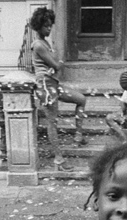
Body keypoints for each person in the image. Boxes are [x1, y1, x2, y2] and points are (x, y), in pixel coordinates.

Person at [30, 7, 87, 171]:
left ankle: (78, 135)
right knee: (52, 121)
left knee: (81, 99)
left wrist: (56, 66)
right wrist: (59, 63)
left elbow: (54, 67)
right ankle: (58, 159)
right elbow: (56, 65)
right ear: (38, 26)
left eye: (50, 25)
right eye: (46, 26)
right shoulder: (38, 45)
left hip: (53, 84)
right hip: (46, 86)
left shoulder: (45, 43)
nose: (49, 29)